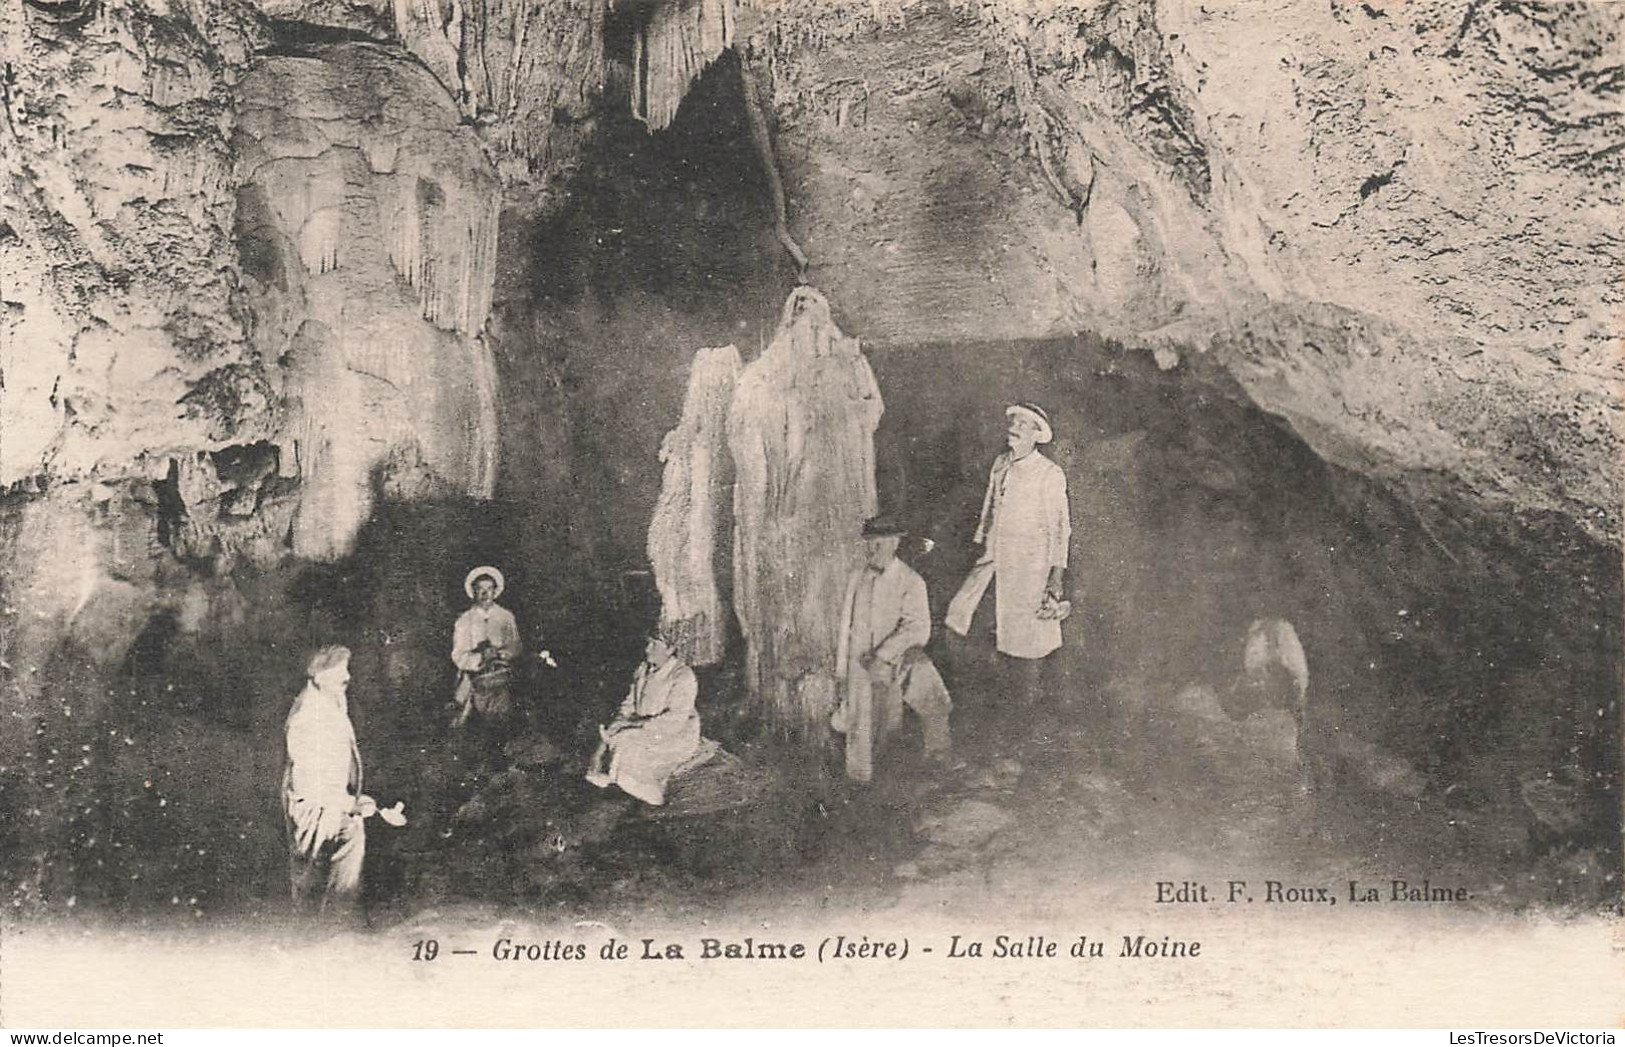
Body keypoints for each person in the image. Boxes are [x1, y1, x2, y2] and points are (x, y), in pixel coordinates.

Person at [945, 403, 1072, 712]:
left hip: (1030, 570)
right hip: (994, 561)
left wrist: (1055, 579)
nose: (1013, 428)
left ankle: (1023, 718)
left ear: (1037, 435)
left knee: (1026, 642)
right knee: (958, 618)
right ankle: (980, 706)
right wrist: (981, 544)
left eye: (1023, 425)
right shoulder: (1000, 464)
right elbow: (989, 510)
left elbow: (1060, 528)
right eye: (1013, 422)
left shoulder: (1049, 474)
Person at [283, 645, 406, 916]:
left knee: (341, 884)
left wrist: (356, 800)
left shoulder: (332, 702)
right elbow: (309, 783)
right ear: (319, 675)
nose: (347, 676)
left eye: (346, 668)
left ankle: (337, 932)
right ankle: (319, 939)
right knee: (314, 887)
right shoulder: (308, 717)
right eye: (339, 670)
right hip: (316, 813)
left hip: (334, 810)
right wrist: (349, 804)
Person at [830, 515, 952, 783]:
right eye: (871, 542)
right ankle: (858, 786)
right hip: (857, 667)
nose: (876, 548)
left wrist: (884, 655)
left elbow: (917, 627)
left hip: (889, 664)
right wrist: (841, 671)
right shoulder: (856, 578)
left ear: (896, 543)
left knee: (886, 725)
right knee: (857, 729)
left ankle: (888, 787)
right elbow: (845, 626)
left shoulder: (910, 581)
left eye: (883, 542)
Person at [585, 631, 703, 806]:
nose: (648, 649)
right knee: (618, 739)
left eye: (654, 645)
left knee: (627, 743)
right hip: (640, 728)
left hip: (672, 733)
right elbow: (627, 707)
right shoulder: (642, 670)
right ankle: (619, 778)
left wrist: (633, 726)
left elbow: (676, 719)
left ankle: (647, 791)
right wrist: (618, 727)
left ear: (670, 649)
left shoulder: (683, 676)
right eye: (648, 643)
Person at [451, 566, 522, 728]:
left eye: (489, 589)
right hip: (476, 678)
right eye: (480, 590)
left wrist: (501, 654)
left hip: (502, 675)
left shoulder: (506, 616)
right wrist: (481, 657)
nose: (485, 594)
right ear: (473, 592)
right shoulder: (464, 620)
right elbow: (458, 655)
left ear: (495, 591)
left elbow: (516, 645)